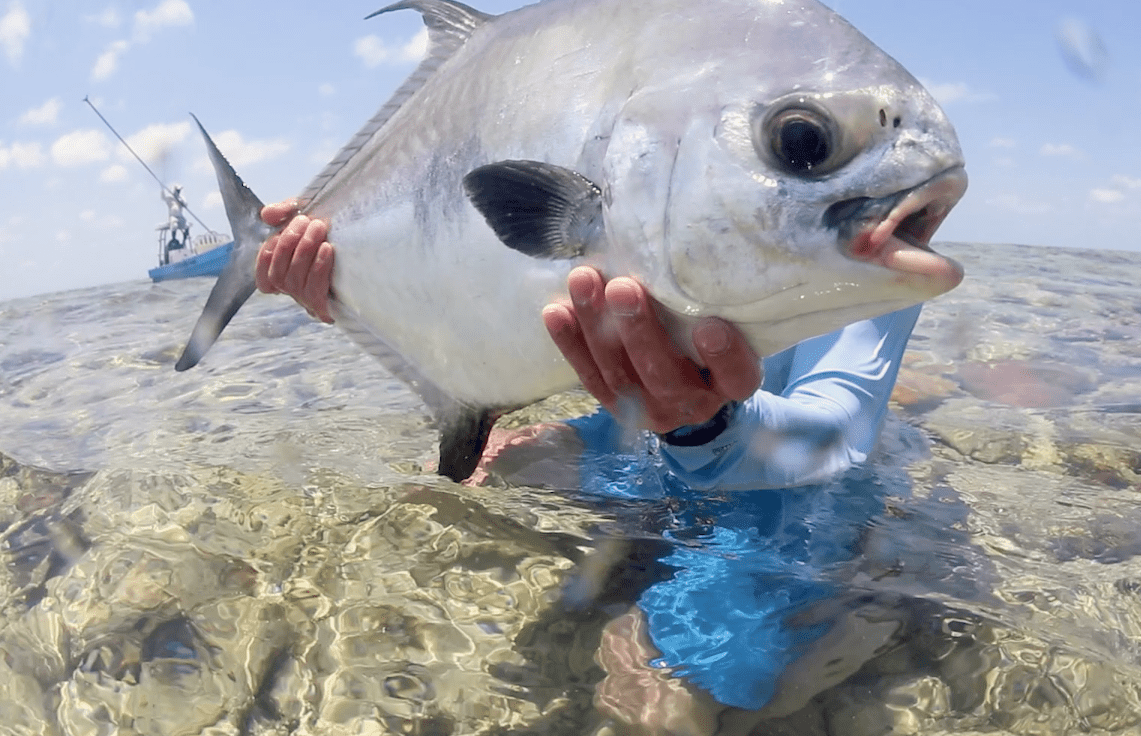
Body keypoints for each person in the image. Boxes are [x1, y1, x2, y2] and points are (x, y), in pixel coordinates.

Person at [256, 201, 929, 735]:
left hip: (778, 489)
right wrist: (346, 285)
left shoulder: (877, 248)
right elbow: (494, 290)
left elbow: (835, 430)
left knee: (659, 698)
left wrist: (706, 425)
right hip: (649, 434)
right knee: (450, 486)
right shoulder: (656, 184)